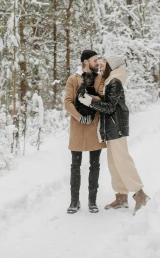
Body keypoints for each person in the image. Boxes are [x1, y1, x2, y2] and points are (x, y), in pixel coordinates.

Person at [78, 53, 150, 215]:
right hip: (112, 127)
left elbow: (110, 107)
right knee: (114, 163)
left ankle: (140, 195)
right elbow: (107, 103)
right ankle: (121, 197)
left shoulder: (115, 82)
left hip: (116, 127)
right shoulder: (111, 80)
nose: (101, 64)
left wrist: (90, 102)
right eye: (101, 62)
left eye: (104, 62)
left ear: (112, 65)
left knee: (122, 161)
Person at [64, 49, 106, 214]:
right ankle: (74, 202)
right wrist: (79, 116)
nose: (98, 63)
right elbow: (67, 102)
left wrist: (90, 99)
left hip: (95, 127)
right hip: (78, 126)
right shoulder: (73, 79)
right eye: (95, 60)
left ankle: (92, 201)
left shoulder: (100, 78)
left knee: (95, 165)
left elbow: (103, 98)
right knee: (75, 165)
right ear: (85, 62)